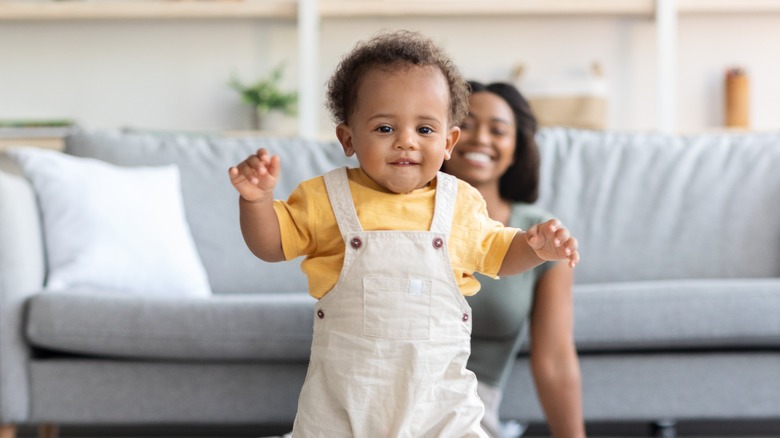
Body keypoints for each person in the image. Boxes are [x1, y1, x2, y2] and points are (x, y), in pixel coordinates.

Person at [228, 30, 579, 437]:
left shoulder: (459, 204)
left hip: (440, 408)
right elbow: (270, 246)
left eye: (425, 130)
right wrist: (256, 201)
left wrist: (534, 248)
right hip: (345, 404)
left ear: (449, 142)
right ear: (348, 138)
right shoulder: (326, 197)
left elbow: (500, 254)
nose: (406, 142)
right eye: (384, 128)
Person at [442, 81, 585, 437]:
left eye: (498, 130)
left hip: (470, 410)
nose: (480, 139)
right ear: (444, 138)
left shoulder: (543, 236)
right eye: (468, 125)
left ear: (516, 149)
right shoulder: (399, 213)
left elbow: (554, 361)